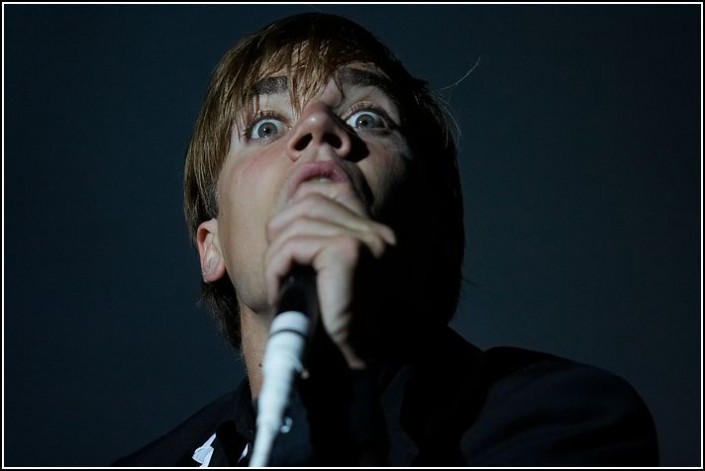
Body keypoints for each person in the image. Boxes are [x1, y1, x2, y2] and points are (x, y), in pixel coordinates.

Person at [113, 12, 658, 467]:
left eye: (369, 117)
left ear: (435, 221)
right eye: (265, 127)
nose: (319, 126)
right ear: (212, 247)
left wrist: (330, 365)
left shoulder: (562, 418)